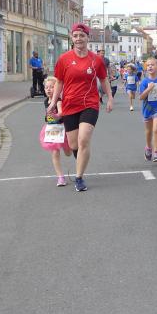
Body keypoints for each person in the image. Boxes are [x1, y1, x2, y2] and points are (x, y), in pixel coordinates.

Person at [48, 23, 113, 192]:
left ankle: (79, 177)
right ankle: (80, 162)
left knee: (83, 140)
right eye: (75, 36)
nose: (78, 39)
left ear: (87, 38)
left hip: (89, 103)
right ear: (72, 38)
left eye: (82, 36)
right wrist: (54, 102)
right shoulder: (64, 59)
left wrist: (110, 98)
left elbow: (104, 79)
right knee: (73, 145)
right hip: (69, 104)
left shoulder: (96, 60)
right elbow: (59, 82)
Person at [39, 76, 73, 186]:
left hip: (62, 127)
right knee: (54, 152)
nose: (48, 89)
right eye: (46, 87)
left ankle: (68, 146)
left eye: (51, 87)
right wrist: (48, 118)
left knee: (68, 153)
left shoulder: (58, 100)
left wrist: (56, 116)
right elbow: (48, 114)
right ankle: (60, 177)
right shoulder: (46, 101)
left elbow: (61, 112)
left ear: (57, 88)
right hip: (52, 128)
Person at [139, 57, 157, 162]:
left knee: (156, 129)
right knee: (148, 131)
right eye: (148, 65)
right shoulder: (144, 82)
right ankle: (148, 147)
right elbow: (141, 97)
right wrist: (149, 89)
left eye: (152, 65)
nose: (150, 67)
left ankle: (156, 152)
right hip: (148, 108)